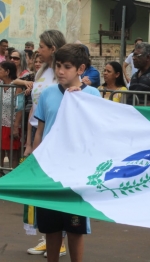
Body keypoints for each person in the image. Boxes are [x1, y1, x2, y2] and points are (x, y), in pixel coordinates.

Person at [33, 43, 100, 262]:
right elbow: (40, 131)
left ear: (80, 69)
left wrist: (79, 99)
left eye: (67, 66)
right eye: (58, 65)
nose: (61, 71)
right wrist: (35, 162)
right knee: (50, 228)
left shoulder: (92, 94)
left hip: (76, 172)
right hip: (49, 170)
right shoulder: (48, 94)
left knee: (75, 228)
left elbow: (97, 130)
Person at [25, 29, 66, 258]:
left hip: (56, 135)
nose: (38, 50)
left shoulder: (61, 73)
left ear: (52, 48)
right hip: (38, 129)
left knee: (55, 188)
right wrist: (30, 142)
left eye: (42, 46)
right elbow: (36, 106)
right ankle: (49, 237)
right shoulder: (42, 70)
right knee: (43, 189)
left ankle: (59, 240)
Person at [0, 62, 23, 171]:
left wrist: (15, 126)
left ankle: (12, 177)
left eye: (0, 70)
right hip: (1, 125)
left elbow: (20, 108)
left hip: (11, 125)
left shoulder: (17, 88)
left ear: (7, 72)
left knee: (12, 155)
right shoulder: (0, 84)